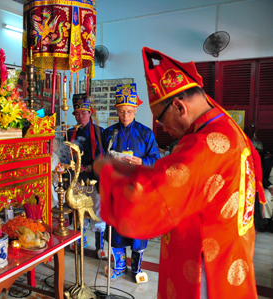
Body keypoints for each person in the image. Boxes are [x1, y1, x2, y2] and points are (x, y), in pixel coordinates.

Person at [94, 47, 266, 298]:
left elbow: (152, 201)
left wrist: (107, 173)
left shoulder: (205, 144)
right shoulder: (226, 125)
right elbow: (170, 174)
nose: (164, 129)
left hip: (207, 264)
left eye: (162, 120)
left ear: (179, 106)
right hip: (230, 250)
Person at [101, 83, 160, 280]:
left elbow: (156, 160)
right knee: (117, 231)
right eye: (122, 111)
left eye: (129, 111)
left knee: (137, 231)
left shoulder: (146, 133)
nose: (126, 115)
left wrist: (141, 161)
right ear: (117, 111)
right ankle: (118, 267)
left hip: (138, 190)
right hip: (117, 190)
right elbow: (100, 158)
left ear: (135, 110)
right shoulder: (109, 133)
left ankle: (135, 268)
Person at [67, 93, 106, 258]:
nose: (80, 116)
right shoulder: (70, 133)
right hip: (76, 178)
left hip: (94, 178)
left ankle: (100, 245)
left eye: (84, 113)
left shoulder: (100, 132)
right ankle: (79, 240)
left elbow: (104, 156)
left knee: (97, 211)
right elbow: (65, 155)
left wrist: (90, 167)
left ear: (90, 113)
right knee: (78, 209)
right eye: (77, 113)